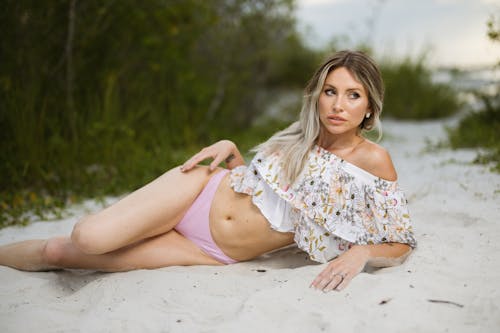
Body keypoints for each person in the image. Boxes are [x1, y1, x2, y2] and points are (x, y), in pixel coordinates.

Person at [0, 50, 416, 292]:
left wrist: (362, 252)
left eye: (352, 95)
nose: (338, 105)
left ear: (369, 107)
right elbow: (258, 185)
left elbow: (401, 241)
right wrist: (231, 151)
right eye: (330, 91)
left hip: (213, 253)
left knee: (61, 254)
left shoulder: (373, 162)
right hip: (198, 191)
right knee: (87, 237)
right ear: (318, 96)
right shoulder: (299, 135)